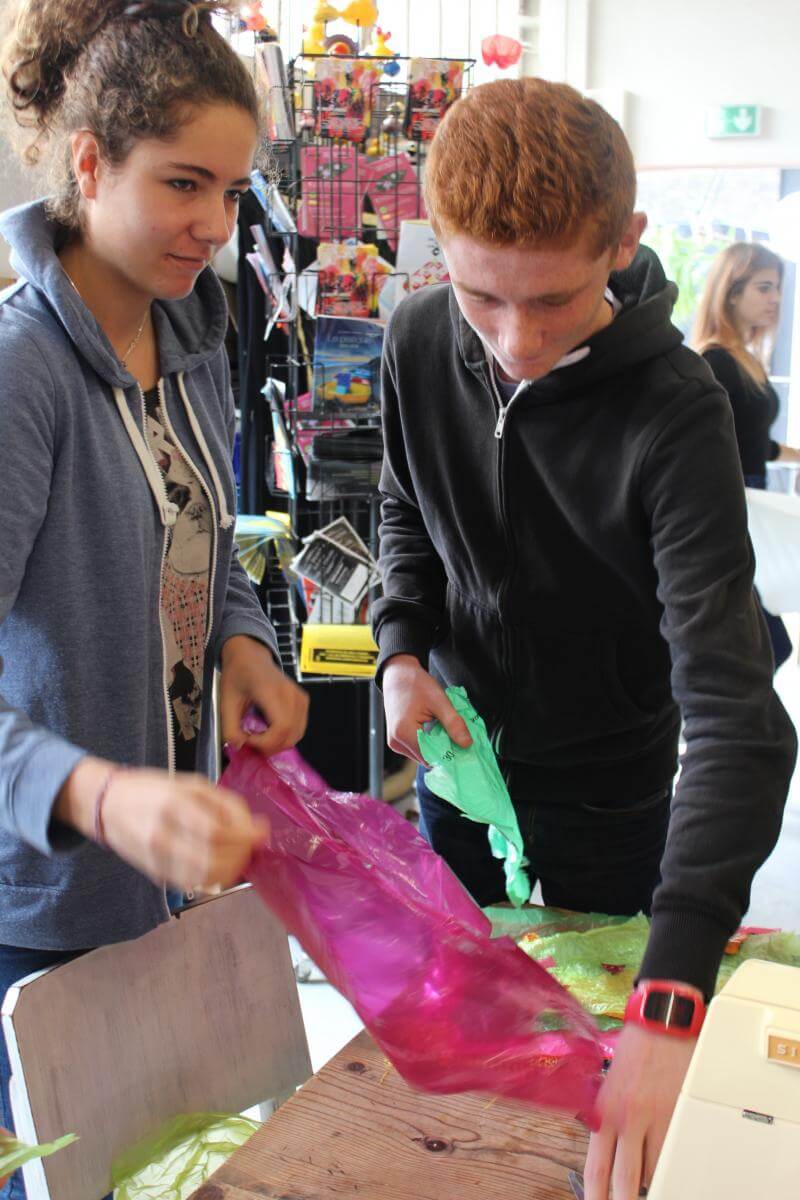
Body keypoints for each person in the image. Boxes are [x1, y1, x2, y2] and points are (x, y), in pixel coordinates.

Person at [374, 78, 796, 1200]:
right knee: (463, 1076)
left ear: (623, 241)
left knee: (591, 1100)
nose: (515, 342)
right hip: (460, 772)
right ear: (441, 253)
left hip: (610, 802)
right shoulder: (417, 338)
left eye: (554, 300)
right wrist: (401, 651)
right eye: (482, 298)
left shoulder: (676, 409)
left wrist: (670, 1000)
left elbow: (737, 720)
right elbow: (406, 506)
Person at [0, 2, 308, 1195]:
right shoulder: (22, 375)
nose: (215, 225)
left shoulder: (188, 334)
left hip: (167, 883)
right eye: (183, 184)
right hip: (41, 912)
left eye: (230, 191)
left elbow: (202, 540)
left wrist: (242, 645)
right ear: (89, 164)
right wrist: (99, 794)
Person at [693, 241, 800, 669]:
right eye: (764, 287)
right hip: (729, 511)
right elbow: (705, 448)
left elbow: (753, 442)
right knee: (764, 647)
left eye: (777, 288)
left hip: (747, 504)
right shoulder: (713, 362)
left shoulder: (744, 358)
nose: (776, 299)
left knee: (765, 647)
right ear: (731, 292)